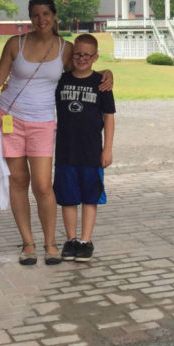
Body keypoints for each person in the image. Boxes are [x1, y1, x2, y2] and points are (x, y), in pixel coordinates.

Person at [0, 0, 112, 266]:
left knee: (42, 185)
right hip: (10, 119)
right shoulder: (15, 43)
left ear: (54, 16)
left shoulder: (66, 48)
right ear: (30, 16)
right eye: (36, 15)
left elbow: (86, 68)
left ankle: (51, 243)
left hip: (42, 122)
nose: (41, 20)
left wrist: (109, 73)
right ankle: (28, 243)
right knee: (17, 181)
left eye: (46, 15)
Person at [53, 33, 115, 263]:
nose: (81, 58)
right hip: (65, 150)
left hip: (91, 151)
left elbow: (109, 117)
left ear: (95, 57)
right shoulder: (60, 81)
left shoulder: (101, 84)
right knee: (68, 197)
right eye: (78, 54)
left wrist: (107, 149)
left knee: (90, 197)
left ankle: (85, 241)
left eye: (87, 55)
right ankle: (71, 240)